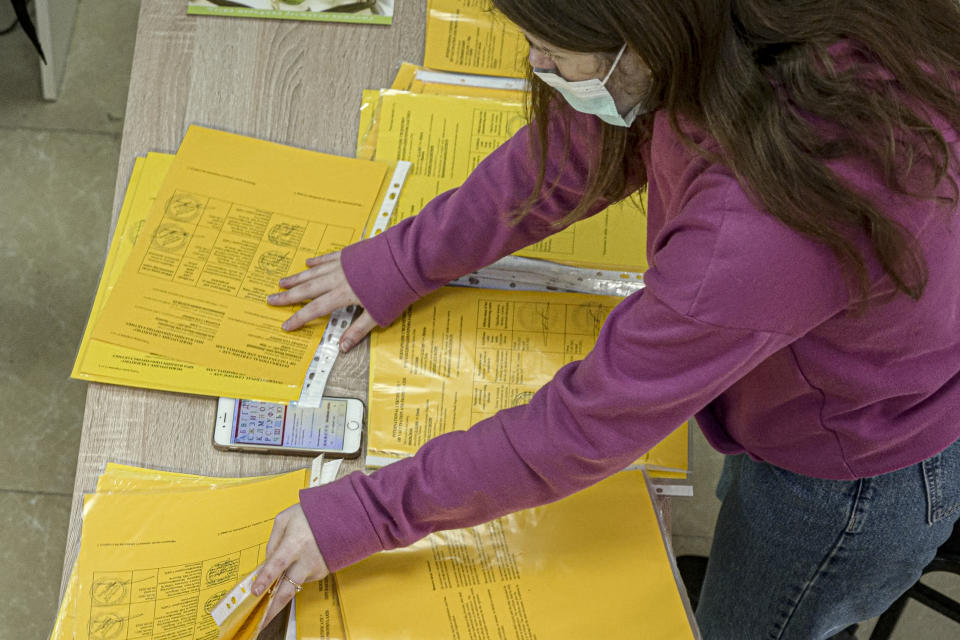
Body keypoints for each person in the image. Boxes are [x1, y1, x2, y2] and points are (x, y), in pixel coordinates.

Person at [252, 1, 960, 637]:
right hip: (810, 391)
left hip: (850, 483)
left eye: (553, 52)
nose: (537, 64)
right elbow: (580, 145)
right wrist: (402, 261)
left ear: (641, 38)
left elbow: (586, 425)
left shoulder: (754, 234)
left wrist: (366, 515)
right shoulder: (708, 32)